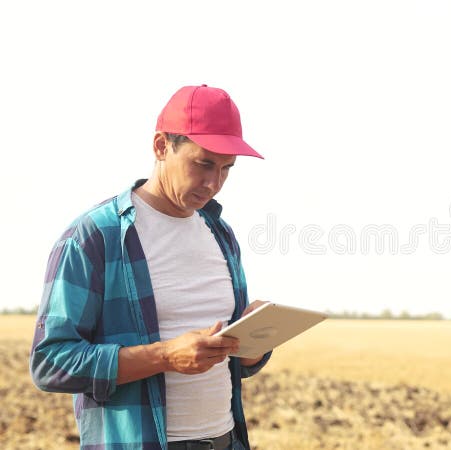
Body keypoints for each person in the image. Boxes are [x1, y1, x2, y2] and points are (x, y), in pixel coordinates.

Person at [30, 85, 271, 450]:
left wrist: (252, 345)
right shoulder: (94, 237)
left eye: (226, 169)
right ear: (161, 146)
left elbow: (233, 362)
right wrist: (164, 356)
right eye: (203, 163)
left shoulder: (220, 233)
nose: (213, 183)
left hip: (226, 440)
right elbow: (50, 362)